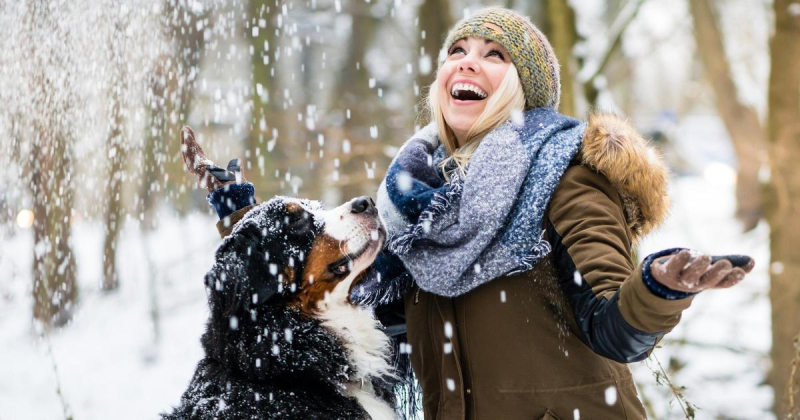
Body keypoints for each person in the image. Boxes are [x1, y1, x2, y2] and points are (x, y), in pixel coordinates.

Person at [181, 7, 755, 419]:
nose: (467, 62)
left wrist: (657, 288)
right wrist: (246, 223)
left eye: (494, 55)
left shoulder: (565, 177)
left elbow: (613, 328)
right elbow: (338, 310)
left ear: (521, 90)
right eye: (457, 51)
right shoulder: (416, 202)